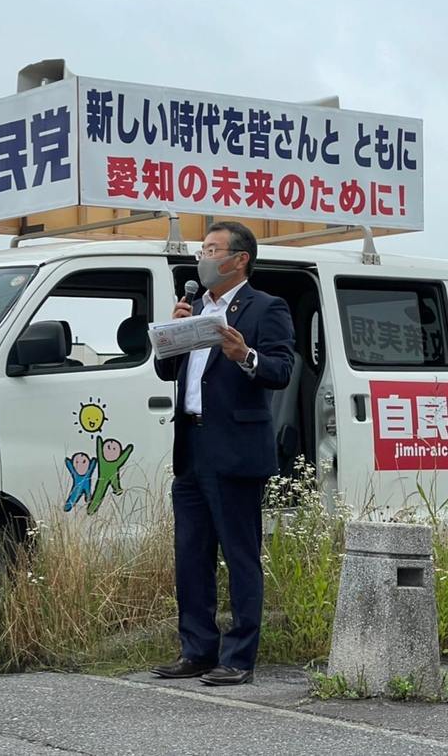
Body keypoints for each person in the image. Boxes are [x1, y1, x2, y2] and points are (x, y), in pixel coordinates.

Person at [152, 221, 295, 686]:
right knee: (191, 554)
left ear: (239, 260)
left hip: (235, 448)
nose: (204, 257)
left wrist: (245, 356)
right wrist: (172, 333)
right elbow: (166, 371)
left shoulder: (266, 308)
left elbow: (281, 370)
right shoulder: (194, 307)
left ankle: (239, 657)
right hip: (191, 444)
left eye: (213, 250)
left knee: (239, 555)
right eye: (202, 249)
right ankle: (196, 650)